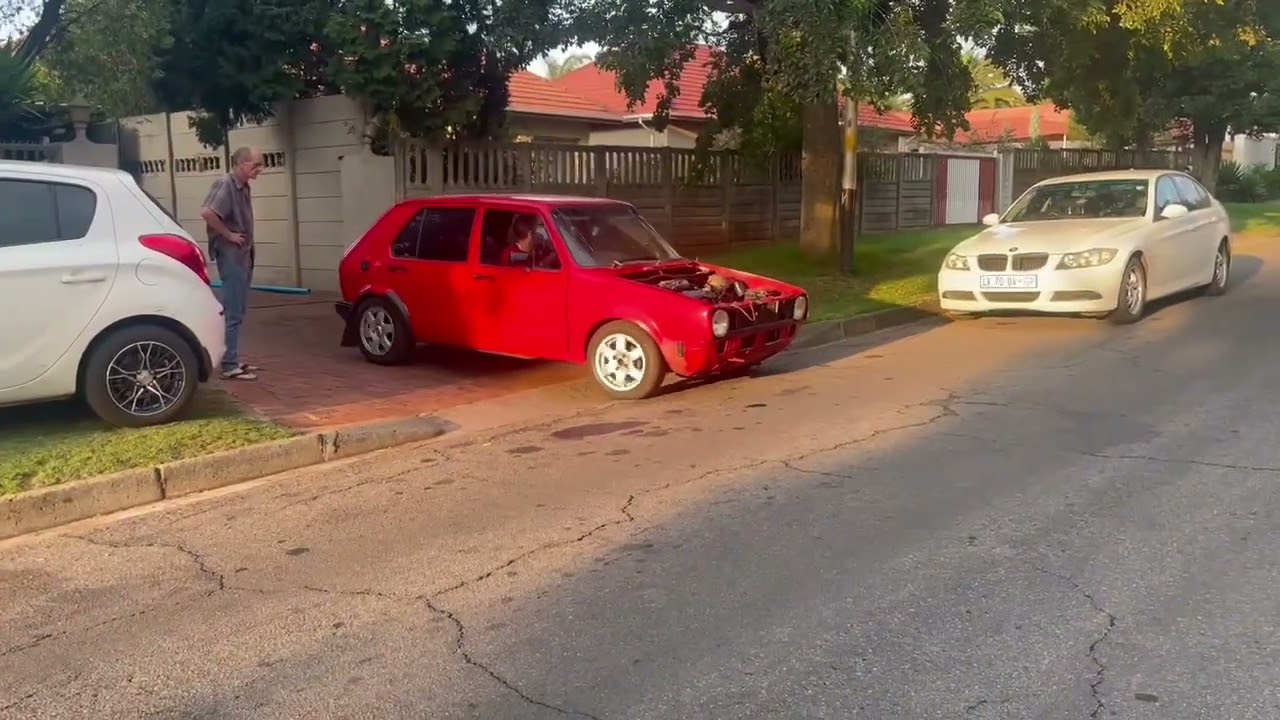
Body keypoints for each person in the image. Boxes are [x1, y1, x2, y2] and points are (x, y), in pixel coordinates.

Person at [200, 146, 263, 381]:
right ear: (241, 164)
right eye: (255, 165)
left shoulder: (243, 187)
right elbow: (207, 212)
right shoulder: (226, 184)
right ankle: (229, 364)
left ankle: (232, 358)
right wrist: (229, 235)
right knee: (233, 310)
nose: (259, 170)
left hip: (243, 255)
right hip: (232, 256)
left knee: (238, 309)